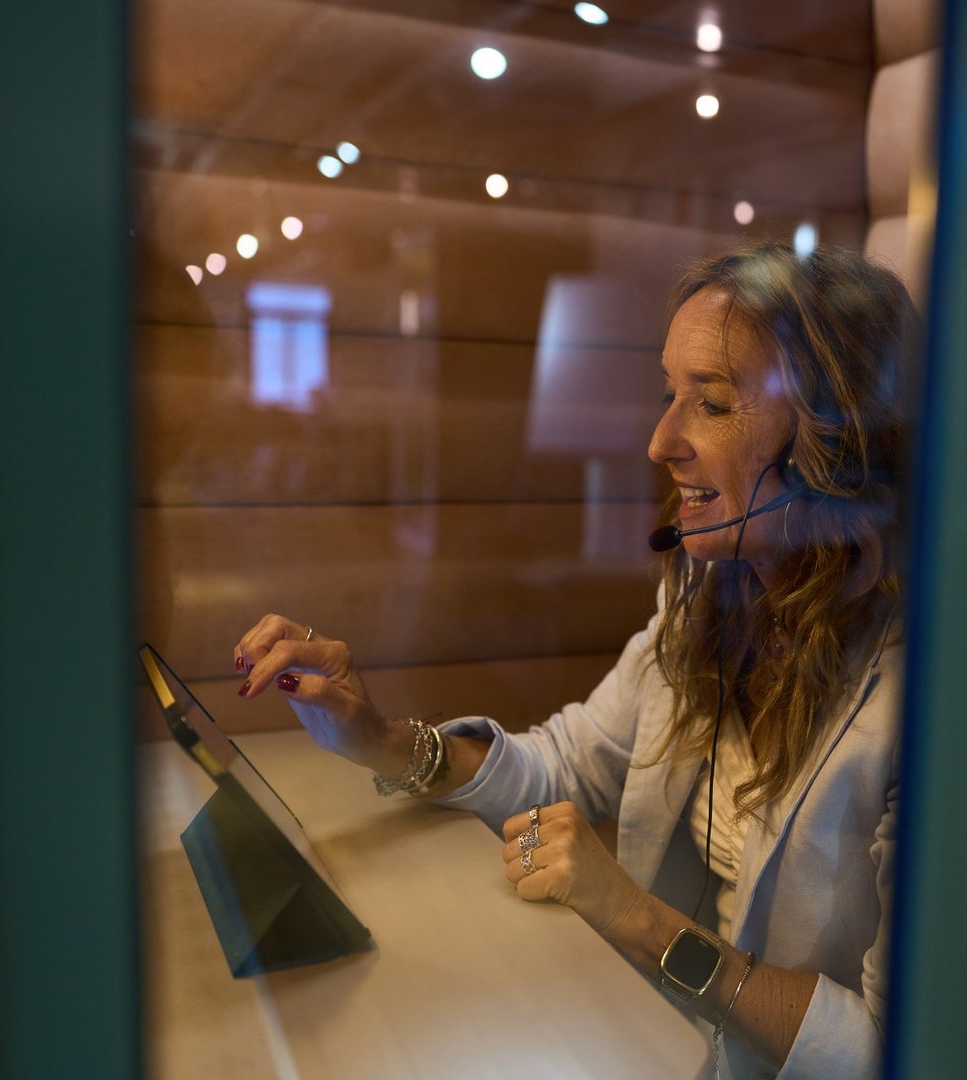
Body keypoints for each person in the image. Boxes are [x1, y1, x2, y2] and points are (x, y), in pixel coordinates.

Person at [232, 242, 916, 1078]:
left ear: (837, 446)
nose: (663, 440)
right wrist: (375, 736)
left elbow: (895, 1050)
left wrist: (634, 916)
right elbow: (569, 766)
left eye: (713, 403)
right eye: (669, 396)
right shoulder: (710, 603)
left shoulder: (925, 704)